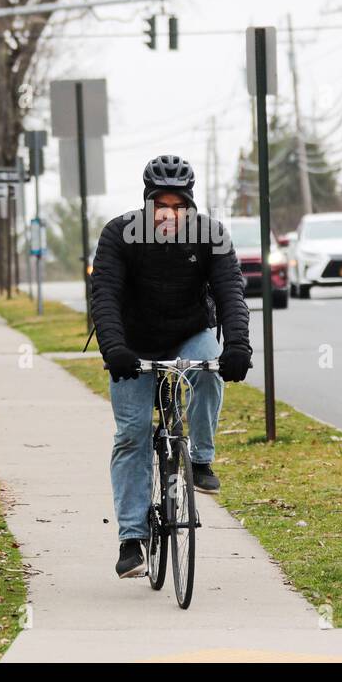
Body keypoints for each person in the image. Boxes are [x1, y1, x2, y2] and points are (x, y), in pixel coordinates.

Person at [90, 155, 253, 578]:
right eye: (161, 205)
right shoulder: (119, 235)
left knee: (209, 368)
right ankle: (131, 538)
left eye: (178, 206)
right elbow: (104, 295)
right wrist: (114, 350)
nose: (170, 214)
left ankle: (200, 459)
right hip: (132, 339)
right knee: (132, 434)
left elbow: (230, 290)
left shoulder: (211, 236)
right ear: (147, 204)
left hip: (188, 330)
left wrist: (237, 345)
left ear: (190, 206)